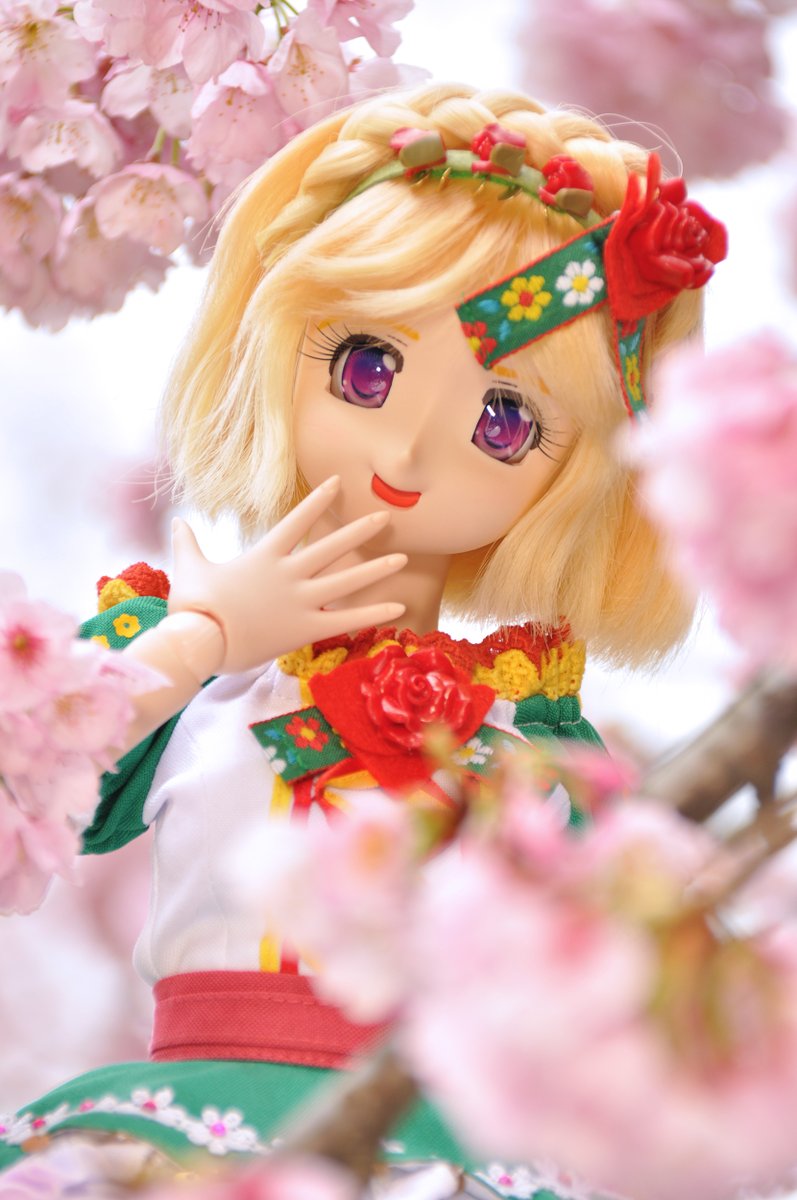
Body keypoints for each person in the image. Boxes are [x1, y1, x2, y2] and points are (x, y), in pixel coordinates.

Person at [0, 81, 725, 1196]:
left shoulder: (524, 734)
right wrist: (209, 633)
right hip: (183, 1121)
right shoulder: (201, 674)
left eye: (502, 421)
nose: (408, 450)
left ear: (578, 480)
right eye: (366, 369)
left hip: (435, 1151)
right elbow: (34, 781)